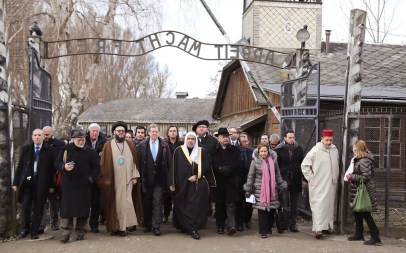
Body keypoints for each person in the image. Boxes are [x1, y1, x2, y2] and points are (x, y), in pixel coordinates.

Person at [98, 121, 143, 236]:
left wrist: (135, 177)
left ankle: (123, 228)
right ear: (114, 132)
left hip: (128, 180)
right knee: (114, 204)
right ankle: (114, 227)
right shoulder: (108, 145)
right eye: (119, 131)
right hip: (113, 181)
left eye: (123, 131)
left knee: (126, 204)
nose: (121, 133)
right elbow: (104, 163)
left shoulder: (130, 144)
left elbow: (135, 162)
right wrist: (105, 179)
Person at [57, 129, 100, 243]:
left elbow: (96, 167)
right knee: (67, 211)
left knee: (83, 210)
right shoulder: (65, 150)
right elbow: (57, 163)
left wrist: (90, 179)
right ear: (73, 140)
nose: (81, 142)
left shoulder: (90, 152)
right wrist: (64, 167)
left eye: (83, 140)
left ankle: (81, 232)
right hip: (69, 185)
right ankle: (65, 233)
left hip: (84, 186)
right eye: (79, 140)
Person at [13, 129, 56, 240]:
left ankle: (34, 231)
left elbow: (52, 170)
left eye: (39, 135)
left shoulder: (50, 150)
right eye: (35, 135)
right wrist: (16, 182)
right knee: (25, 207)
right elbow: (20, 167)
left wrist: (52, 185)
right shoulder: (27, 149)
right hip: (28, 183)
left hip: (41, 184)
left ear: (43, 137)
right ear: (32, 137)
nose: (37, 137)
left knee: (38, 208)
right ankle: (24, 229)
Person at [169, 132, 211, 240]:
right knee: (182, 205)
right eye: (189, 139)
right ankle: (185, 226)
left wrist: (197, 176)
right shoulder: (178, 150)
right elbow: (173, 167)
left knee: (194, 207)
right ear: (185, 139)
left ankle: (193, 229)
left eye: (193, 139)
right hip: (181, 184)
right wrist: (172, 183)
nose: (191, 141)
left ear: (196, 140)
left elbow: (206, 167)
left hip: (196, 184)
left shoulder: (201, 151)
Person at [301, 129, 339, 239]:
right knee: (318, 205)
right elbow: (304, 165)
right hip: (318, 183)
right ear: (322, 139)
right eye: (327, 140)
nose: (328, 142)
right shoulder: (315, 150)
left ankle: (326, 227)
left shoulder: (334, 149)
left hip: (331, 183)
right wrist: (311, 178)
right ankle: (318, 229)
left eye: (330, 140)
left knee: (329, 206)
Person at [244, 142, 286, 238]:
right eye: (261, 151)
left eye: (265, 151)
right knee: (262, 210)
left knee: (271, 210)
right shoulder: (254, 162)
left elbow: (277, 174)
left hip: (272, 189)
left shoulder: (273, 161)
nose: (263, 153)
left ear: (268, 151)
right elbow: (251, 176)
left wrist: (281, 184)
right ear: (258, 152)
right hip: (260, 189)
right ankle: (263, 231)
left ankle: (269, 228)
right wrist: (249, 188)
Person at [137, 123, 172, 236]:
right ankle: (147, 224)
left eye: (156, 132)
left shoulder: (164, 145)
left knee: (157, 203)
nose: (154, 133)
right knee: (146, 203)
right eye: (152, 132)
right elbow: (138, 162)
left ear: (158, 133)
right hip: (146, 179)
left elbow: (169, 163)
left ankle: (156, 226)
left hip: (159, 180)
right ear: (148, 133)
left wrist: (169, 180)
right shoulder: (142, 145)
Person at [346, 140, 381, 246]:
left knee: (365, 213)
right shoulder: (360, 159)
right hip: (360, 189)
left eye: (354, 147)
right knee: (357, 211)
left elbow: (365, 177)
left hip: (365, 190)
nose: (353, 149)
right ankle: (359, 234)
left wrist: (351, 176)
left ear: (358, 148)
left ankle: (376, 237)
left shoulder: (364, 160)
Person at [211, 128, 242, 236]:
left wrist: (229, 170)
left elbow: (238, 163)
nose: (225, 138)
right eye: (223, 137)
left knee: (231, 204)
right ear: (218, 138)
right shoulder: (213, 150)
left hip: (231, 180)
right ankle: (220, 226)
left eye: (227, 136)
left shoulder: (235, 149)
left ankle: (231, 226)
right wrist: (220, 169)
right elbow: (211, 164)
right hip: (219, 181)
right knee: (219, 205)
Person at [274, 130, 304, 232]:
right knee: (284, 203)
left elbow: (302, 164)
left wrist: (303, 179)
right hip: (283, 179)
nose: (292, 139)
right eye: (289, 137)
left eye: (293, 137)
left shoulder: (298, 149)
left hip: (296, 179)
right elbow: (276, 166)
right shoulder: (279, 149)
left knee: (295, 205)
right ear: (285, 138)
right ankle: (283, 224)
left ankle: (293, 224)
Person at [40, 126, 66, 232]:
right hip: (42, 176)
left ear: (52, 133)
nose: (45, 137)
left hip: (55, 175)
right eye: (43, 134)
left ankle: (54, 222)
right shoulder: (40, 144)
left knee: (54, 201)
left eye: (47, 134)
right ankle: (41, 224)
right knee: (41, 201)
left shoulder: (60, 144)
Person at [85, 123, 107, 233]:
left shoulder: (104, 142)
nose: (95, 133)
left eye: (96, 131)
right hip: (86, 175)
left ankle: (94, 224)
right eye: (93, 131)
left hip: (98, 175)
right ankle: (82, 225)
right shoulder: (84, 141)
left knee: (96, 202)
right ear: (89, 132)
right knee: (84, 202)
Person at [163, 125, 184, 223]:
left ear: (177, 132)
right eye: (171, 131)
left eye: (174, 131)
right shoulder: (163, 144)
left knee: (178, 196)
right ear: (168, 133)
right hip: (167, 171)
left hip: (179, 172)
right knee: (167, 196)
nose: (172, 132)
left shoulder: (181, 144)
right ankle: (166, 214)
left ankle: (177, 217)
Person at [236, 132, 254, 230]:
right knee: (239, 203)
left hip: (250, 180)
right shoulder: (236, 151)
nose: (246, 143)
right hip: (239, 180)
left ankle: (248, 220)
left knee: (249, 202)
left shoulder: (252, 151)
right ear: (239, 142)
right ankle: (240, 222)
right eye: (243, 141)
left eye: (247, 141)